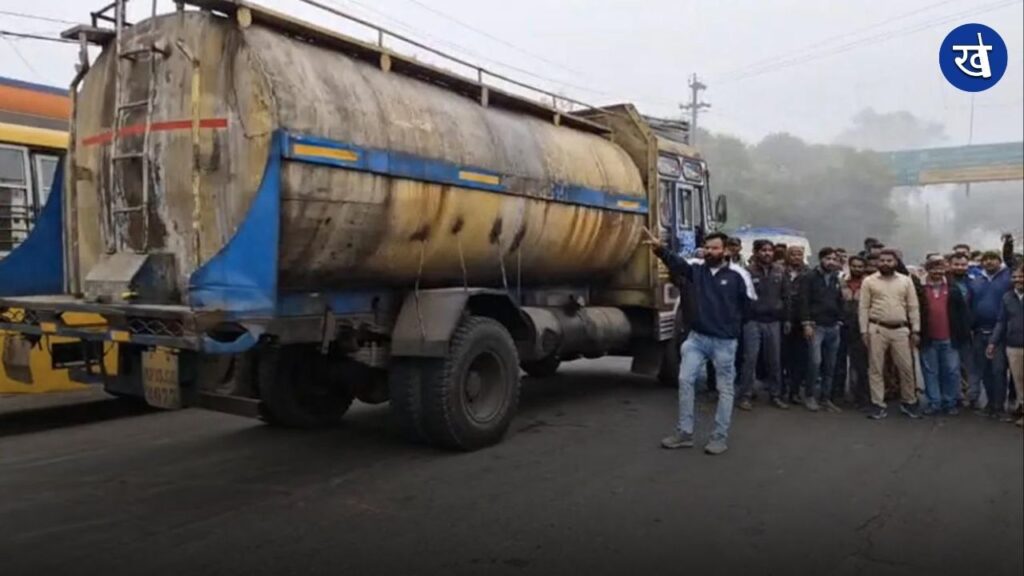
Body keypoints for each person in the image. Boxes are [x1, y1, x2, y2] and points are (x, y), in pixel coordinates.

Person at [647, 230, 751, 455]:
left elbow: (749, 306)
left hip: (724, 342)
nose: (710, 252)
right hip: (696, 339)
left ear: (725, 250)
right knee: (685, 380)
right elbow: (676, 263)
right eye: (707, 248)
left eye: (715, 248)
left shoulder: (739, 275)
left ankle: (719, 437)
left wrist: (730, 327)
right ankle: (684, 433)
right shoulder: (695, 268)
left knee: (725, 389)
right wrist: (659, 248)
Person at [859, 249, 922, 420]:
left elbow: (913, 306)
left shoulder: (905, 281)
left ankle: (909, 402)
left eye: (889, 260)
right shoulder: (869, 281)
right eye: (883, 260)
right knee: (875, 368)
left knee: (906, 367)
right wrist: (864, 331)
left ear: (896, 262)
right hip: (877, 328)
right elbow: (864, 307)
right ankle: (878, 404)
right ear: (878, 262)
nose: (886, 263)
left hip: (901, 329)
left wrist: (916, 329)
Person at [738, 239, 789, 411]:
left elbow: (786, 296)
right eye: (763, 250)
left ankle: (775, 395)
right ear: (755, 251)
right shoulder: (747, 272)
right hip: (753, 321)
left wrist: (786, 318)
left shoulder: (780, 271)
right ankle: (745, 395)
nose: (767, 253)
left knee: (775, 360)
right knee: (750, 359)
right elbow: (741, 297)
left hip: (774, 321)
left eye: (770, 250)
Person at [918, 258, 971, 416]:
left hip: (950, 337)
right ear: (928, 269)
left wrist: (964, 335)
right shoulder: (920, 289)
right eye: (933, 269)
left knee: (952, 371)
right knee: (930, 371)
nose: (937, 272)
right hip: (928, 337)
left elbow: (963, 314)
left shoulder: (953, 288)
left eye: (940, 269)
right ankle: (934, 402)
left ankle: (950, 401)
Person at [799, 247, 845, 413]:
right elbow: (803, 300)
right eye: (828, 259)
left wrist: (840, 320)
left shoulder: (835, 277)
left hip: (833, 326)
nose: (831, 262)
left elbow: (839, 300)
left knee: (830, 365)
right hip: (815, 326)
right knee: (815, 362)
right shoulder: (809, 277)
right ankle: (810, 395)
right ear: (821, 259)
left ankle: (826, 398)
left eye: (834, 259)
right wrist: (806, 323)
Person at [968, 250, 1012, 419]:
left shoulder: (1007, 278)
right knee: (984, 370)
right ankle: (990, 403)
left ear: (999, 261)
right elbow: (970, 305)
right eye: (986, 260)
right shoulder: (976, 281)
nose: (989, 262)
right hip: (980, 332)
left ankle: (999, 406)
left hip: (1000, 332)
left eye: (993, 259)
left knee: (998, 370)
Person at [988, 265, 1023, 427]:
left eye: (1021, 276)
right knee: (1018, 381)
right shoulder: (1007, 297)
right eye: (1014, 277)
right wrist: (993, 343)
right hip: (1013, 345)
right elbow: (1001, 322)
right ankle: (1021, 408)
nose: (1017, 280)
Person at [838, 255, 870, 409]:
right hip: (842, 326)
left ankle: (861, 397)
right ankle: (837, 395)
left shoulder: (869, 283)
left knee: (860, 365)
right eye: (854, 266)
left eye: (860, 266)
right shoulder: (841, 282)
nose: (857, 269)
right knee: (839, 363)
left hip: (861, 328)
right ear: (849, 266)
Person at [782, 245, 808, 405]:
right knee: (782, 357)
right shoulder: (780, 271)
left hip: (801, 321)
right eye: (793, 254)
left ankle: (795, 391)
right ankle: (780, 390)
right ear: (788, 256)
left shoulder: (808, 273)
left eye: (799, 254)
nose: (796, 257)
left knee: (799, 359)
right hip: (783, 319)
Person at [947, 252, 974, 405]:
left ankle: (968, 394)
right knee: (952, 367)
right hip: (949, 330)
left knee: (969, 366)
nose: (959, 267)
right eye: (956, 264)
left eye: (963, 264)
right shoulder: (944, 282)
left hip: (969, 331)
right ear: (950, 265)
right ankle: (955, 395)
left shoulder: (974, 282)